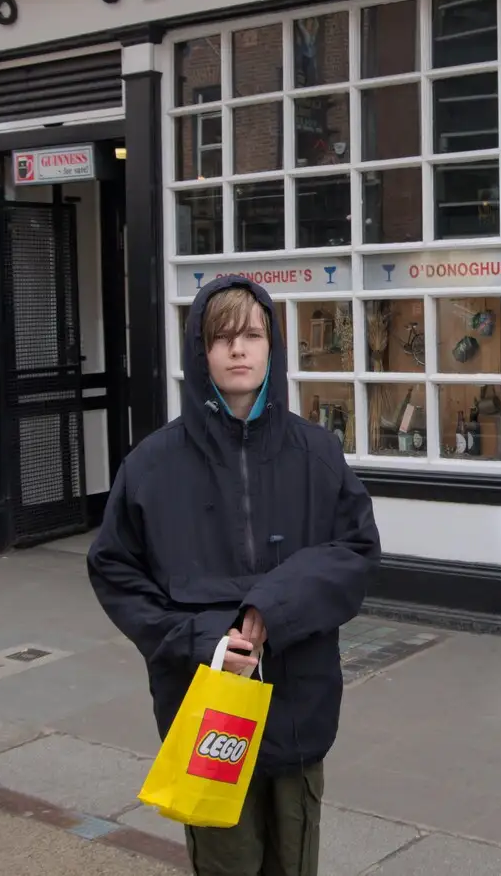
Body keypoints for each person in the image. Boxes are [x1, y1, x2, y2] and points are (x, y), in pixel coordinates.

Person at [88, 275, 381, 876]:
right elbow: (115, 570)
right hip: (204, 709)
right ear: (201, 353)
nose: (239, 350)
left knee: (293, 862)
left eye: (252, 335)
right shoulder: (151, 465)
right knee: (226, 865)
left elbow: (355, 549)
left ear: (272, 345)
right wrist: (204, 641)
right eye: (222, 338)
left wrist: (273, 607)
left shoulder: (317, 453)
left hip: (297, 702)